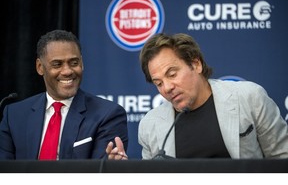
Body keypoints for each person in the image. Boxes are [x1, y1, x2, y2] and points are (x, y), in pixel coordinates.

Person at [106, 32, 288, 159]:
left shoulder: (249, 98)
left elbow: (282, 158)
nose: (167, 87)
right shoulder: (150, 125)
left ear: (196, 64)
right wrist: (124, 173)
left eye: (172, 74)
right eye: (158, 83)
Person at [0, 29, 128, 160]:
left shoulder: (107, 115)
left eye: (74, 63)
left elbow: (100, 171)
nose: (67, 71)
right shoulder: (14, 116)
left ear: (82, 63)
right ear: (40, 67)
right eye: (57, 64)